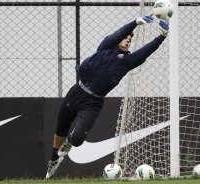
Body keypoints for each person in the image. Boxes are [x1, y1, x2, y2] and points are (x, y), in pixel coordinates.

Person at [45, 15, 169, 179]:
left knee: (77, 140)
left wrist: (161, 37)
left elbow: (144, 53)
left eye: (130, 40)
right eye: (125, 38)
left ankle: (69, 143)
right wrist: (134, 23)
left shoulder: (126, 61)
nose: (127, 40)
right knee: (61, 127)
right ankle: (54, 159)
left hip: (93, 102)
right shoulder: (105, 47)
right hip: (76, 92)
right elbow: (115, 35)